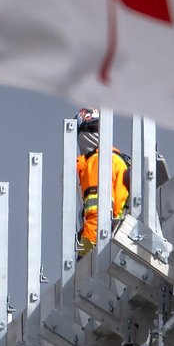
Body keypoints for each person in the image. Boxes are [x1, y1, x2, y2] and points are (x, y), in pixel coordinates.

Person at [75, 107, 131, 258]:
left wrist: (84, 254)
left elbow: (98, 216)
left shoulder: (97, 162)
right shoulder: (115, 159)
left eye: (95, 128)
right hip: (121, 238)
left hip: (109, 243)